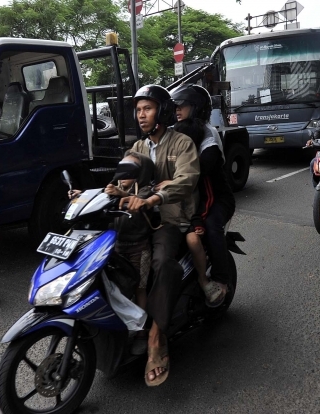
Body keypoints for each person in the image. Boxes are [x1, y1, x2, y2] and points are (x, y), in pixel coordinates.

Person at [120, 84, 200, 386]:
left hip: (169, 220)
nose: (141, 115)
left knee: (164, 263)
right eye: (138, 110)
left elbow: (186, 180)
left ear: (162, 111)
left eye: (147, 109)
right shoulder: (138, 148)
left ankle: (156, 336)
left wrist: (154, 198)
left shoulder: (181, 144)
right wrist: (98, 192)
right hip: (138, 222)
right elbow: (124, 177)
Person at [170, 84, 235, 307]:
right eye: (175, 106)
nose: (177, 109)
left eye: (182, 105)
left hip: (215, 198)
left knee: (211, 225)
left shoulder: (209, 134)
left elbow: (203, 167)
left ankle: (221, 281)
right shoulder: (175, 129)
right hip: (187, 196)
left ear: (196, 107)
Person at [103, 152, 155, 355]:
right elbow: (97, 196)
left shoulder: (145, 189)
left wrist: (121, 195)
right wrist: (81, 195)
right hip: (117, 247)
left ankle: (142, 332)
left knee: (140, 289)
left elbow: (140, 201)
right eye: (121, 169)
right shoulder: (115, 188)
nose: (123, 175)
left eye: (129, 170)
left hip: (138, 248)